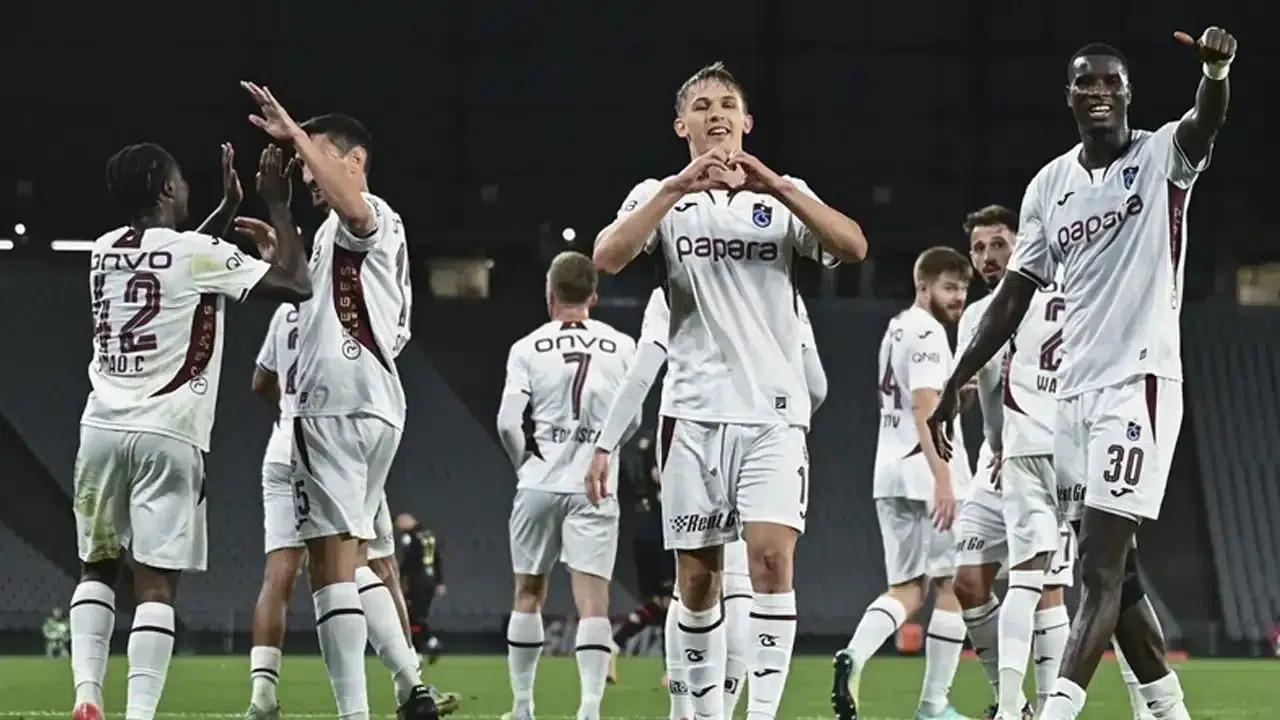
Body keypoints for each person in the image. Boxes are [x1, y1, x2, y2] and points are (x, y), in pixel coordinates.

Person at [928, 30, 1236, 720]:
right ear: (1069, 96)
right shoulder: (1049, 186)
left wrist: (1216, 72)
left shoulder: (1161, 156)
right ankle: (1169, 710)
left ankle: (1055, 711)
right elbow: (1013, 295)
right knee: (1119, 576)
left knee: (1095, 567)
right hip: (1072, 400)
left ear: (1128, 94)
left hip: (1138, 383)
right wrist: (956, 380)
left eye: (1110, 82)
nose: (1099, 91)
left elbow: (1205, 120)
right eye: (1085, 82)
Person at [592, 60, 866, 720]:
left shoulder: (784, 196)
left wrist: (779, 186)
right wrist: (676, 187)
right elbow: (607, 256)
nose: (716, 113)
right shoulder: (660, 196)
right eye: (702, 105)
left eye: (727, 105)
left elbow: (853, 246)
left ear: (746, 121)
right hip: (692, 413)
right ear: (680, 125)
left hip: (773, 413)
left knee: (771, 561)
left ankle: (761, 715)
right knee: (698, 579)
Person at [70, 142, 312, 720]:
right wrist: (278, 205)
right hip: (168, 433)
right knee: (156, 584)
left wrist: (226, 210)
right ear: (163, 189)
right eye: (179, 181)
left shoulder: (102, 251)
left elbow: (172, 262)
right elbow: (295, 284)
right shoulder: (195, 252)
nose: (186, 189)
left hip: (100, 427)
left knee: (97, 566)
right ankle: (139, 713)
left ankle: (86, 695)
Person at [241, 82, 431, 720]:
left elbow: (354, 212)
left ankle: (355, 713)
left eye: (316, 159)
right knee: (359, 557)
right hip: (375, 405)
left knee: (329, 570)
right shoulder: (333, 235)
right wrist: (279, 243)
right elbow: (311, 289)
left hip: (332, 406)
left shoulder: (368, 211)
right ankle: (410, 683)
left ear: (354, 160)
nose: (307, 173)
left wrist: (294, 132)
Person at [591, 287, 828, 720]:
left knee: (694, 586)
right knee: (744, 588)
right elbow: (816, 385)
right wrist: (785, 421)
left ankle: (688, 713)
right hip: (763, 435)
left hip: (694, 435)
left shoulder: (674, 280)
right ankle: (735, 713)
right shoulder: (782, 284)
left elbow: (643, 371)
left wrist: (606, 444)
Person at [833, 247, 973, 720]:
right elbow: (923, 407)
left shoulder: (896, 327)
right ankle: (934, 706)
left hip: (890, 472)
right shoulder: (929, 332)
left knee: (908, 588)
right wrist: (943, 479)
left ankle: (854, 654)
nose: (958, 297)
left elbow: (923, 401)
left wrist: (959, 398)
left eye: (963, 288)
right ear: (923, 286)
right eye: (949, 287)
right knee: (952, 586)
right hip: (926, 473)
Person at [495, 251, 637, 720]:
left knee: (527, 593)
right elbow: (632, 419)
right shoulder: (623, 346)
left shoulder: (526, 347)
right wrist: (605, 450)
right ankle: (589, 708)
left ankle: (522, 707)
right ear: (593, 296)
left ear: (550, 294)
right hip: (594, 486)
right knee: (593, 602)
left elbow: (508, 423)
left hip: (539, 482)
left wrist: (525, 466)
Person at [607, 432, 672, 685]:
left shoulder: (647, 447)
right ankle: (672, 669)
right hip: (660, 532)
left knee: (659, 603)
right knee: (671, 602)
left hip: (645, 530)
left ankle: (614, 644)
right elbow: (660, 478)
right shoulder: (664, 445)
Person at [395, 513, 446, 663]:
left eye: (399, 523)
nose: (398, 527)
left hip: (417, 580)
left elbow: (409, 561)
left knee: (412, 616)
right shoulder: (428, 535)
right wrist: (439, 581)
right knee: (418, 616)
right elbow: (437, 558)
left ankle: (423, 648)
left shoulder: (411, 537)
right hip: (430, 580)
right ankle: (428, 644)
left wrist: (398, 578)